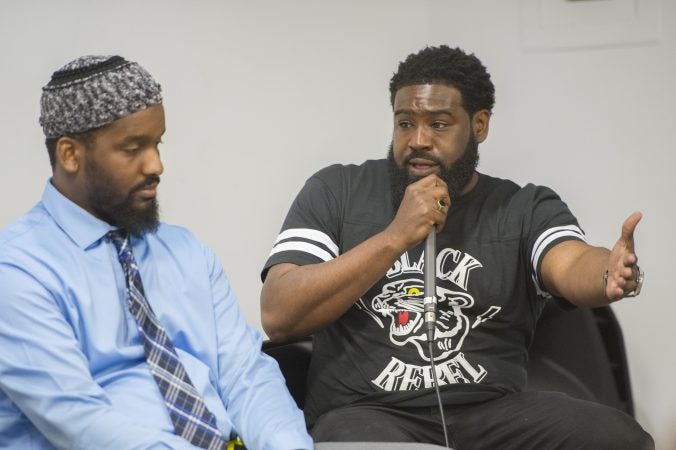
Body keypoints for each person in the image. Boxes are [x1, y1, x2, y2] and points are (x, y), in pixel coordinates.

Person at [260, 45, 653, 449]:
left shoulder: (522, 207)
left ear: (479, 125)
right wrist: (396, 236)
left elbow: (569, 263)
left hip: (492, 412)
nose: (418, 140)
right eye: (405, 123)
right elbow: (279, 313)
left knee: (618, 438)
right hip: (366, 413)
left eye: (439, 124)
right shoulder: (336, 192)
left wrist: (608, 272)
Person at [0, 55, 313, 450]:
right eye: (133, 149)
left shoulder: (187, 252)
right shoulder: (17, 271)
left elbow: (245, 374)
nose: (157, 165)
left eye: (157, 143)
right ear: (70, 154)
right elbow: (82, 424)